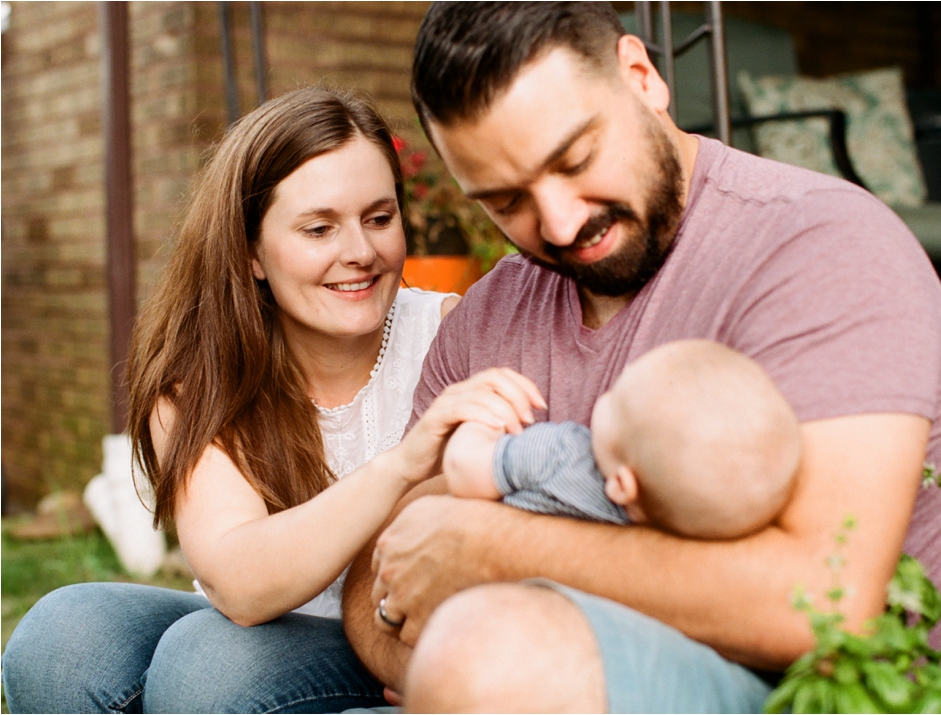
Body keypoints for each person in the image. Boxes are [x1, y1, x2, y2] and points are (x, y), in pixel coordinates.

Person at [337, 3, 941, 712]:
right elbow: (378, 569)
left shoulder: (822, 248)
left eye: (575, 160)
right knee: (219, 662)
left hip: (817, 693)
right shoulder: (486, 316)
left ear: (642, 77)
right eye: (505, 200)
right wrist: (432, 665)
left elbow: (819, 599)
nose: (559, 223)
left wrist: (492, 551)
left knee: (496, 655)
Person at [1, 86, 545, 713]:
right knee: (62, 638)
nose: (360, 253)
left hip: (394, 633)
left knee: (211, 667)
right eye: (319, 228)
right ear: (252, 251)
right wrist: (400, 464)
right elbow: (240, 584)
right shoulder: (200, 383)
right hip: (252, 627)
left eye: (379, 218)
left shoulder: (453, 335)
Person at [443, 339, 800, 539]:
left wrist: (484, 419)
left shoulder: (564, 454)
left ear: (622, 485)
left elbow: (463, 470)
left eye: (619, 398)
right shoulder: (687, 522)